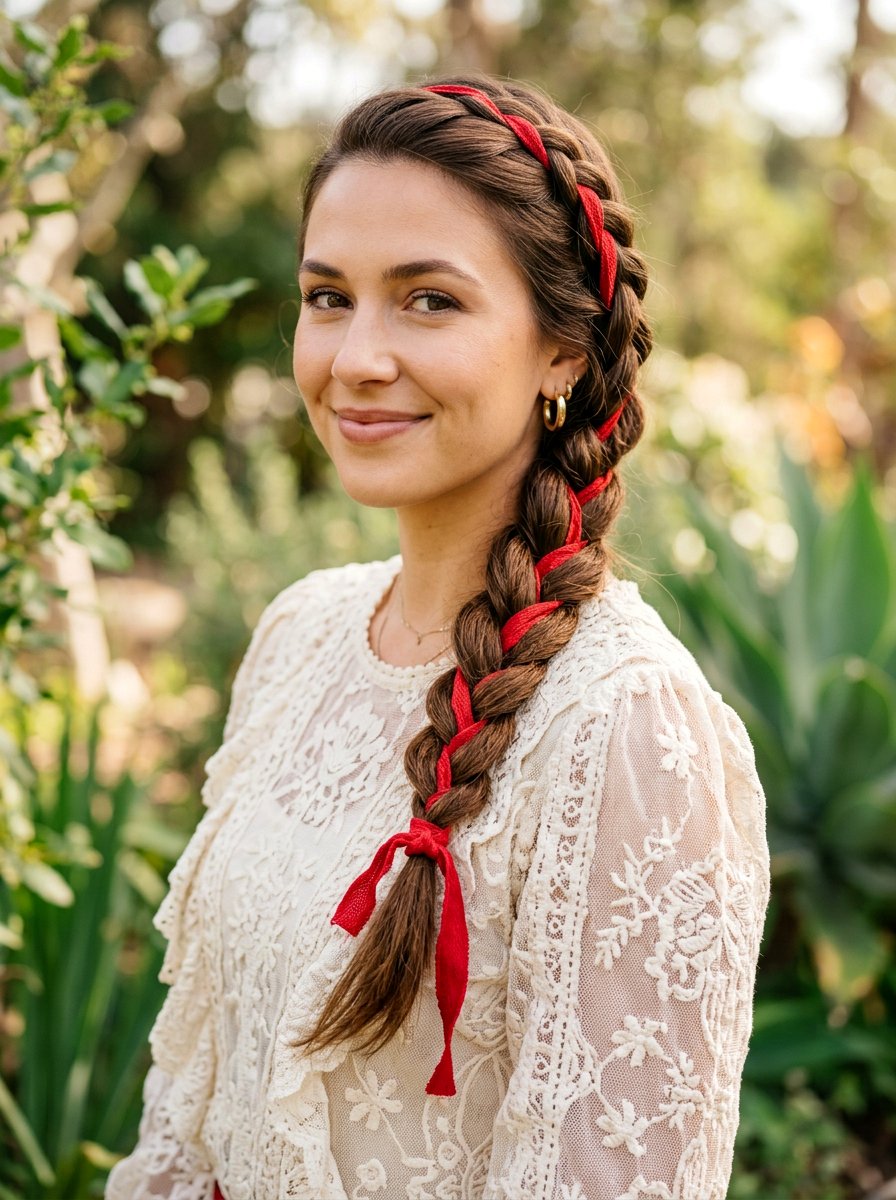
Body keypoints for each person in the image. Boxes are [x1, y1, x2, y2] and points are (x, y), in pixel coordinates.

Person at [106, 75, 771, 1200]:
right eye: (327, 297)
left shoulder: (622, 726)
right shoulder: (302, 633)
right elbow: (197, 1109)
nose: (356, 357)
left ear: (563, 349)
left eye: (428, 301)